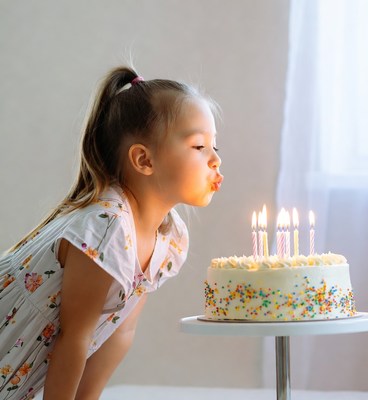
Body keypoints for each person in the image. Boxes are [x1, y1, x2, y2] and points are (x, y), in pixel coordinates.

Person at [0, 66, 223, 400]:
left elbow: (120, 330)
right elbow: (73, 338)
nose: (216, 160)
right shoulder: (107, 226)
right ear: (144, 160)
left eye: (216, 146)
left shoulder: (168, 237)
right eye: (199, 146)